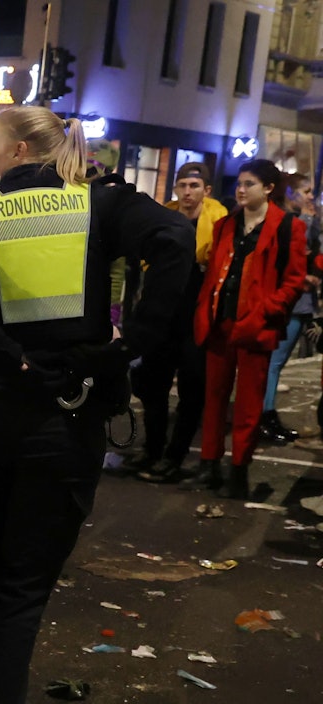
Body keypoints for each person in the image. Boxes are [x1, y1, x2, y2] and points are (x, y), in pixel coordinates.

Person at [0, 105, 193, 704]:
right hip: (61, 421)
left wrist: (8, 357)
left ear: (16, 151)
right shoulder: (102, 205)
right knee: (19, 587)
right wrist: (127, 345)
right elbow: (173, 242)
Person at [192, 158, 307, 499]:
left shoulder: (289, 227)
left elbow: (294, 280)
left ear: (268, 188)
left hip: (256, 326)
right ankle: (209, 465)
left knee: (248, 405)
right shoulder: (226, 225)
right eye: (239, 183)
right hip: (220, 322)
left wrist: (265, 310)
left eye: (249, 184)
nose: (241, 190)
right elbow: (215, 272)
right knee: (213, 399)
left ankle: (238, 470)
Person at [135, 162, 226, 483]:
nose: (188, 193)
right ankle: (152, 450)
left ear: (207, 190)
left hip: (197, 318)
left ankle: (174, 457)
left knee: (191, 392)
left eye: (194, 186)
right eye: (183, 186)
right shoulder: (165, 217)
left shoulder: (219, 222)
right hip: (164, 316)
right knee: (153, 387)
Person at [258, 173, 319, 444]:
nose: (310, 197)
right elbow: (298, 251)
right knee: (274, 362)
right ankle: (265, 415)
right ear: (291, 193)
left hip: (301, 303)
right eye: (306, 191)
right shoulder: (286, 220)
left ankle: (266, 414)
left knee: (276, 362)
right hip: (290, 302)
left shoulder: (302, 219)